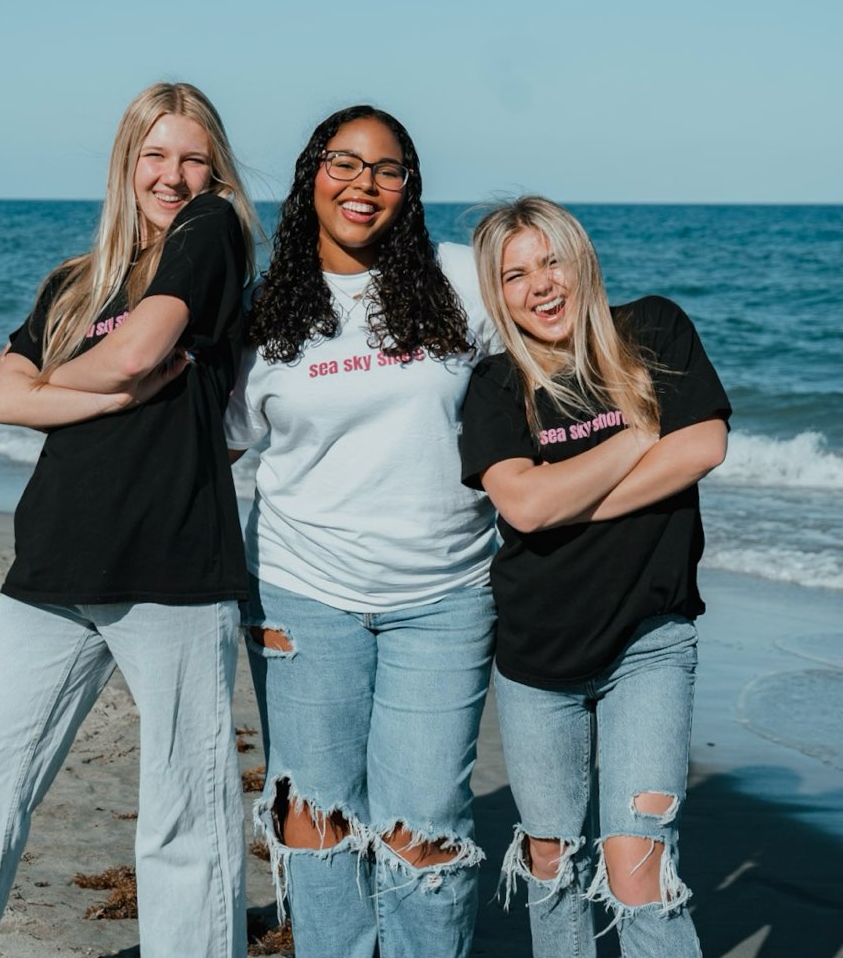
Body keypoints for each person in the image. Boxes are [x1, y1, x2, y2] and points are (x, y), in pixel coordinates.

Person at [0, 82, 259, 958]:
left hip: (171, 566)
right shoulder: (73, 282)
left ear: (214, 169)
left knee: (186, 818)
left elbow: (138, 350)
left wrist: (61, 387)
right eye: (155, 155)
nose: (173, 175)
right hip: (54, 562)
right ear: (126, 161)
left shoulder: (210, 234)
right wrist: (102, 393)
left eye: (191, 157)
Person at [223, 105, 499, 958]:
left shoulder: (462, 280)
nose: (364, 184)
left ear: (408, 189)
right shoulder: (261, 310)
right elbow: (223, 449)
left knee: (425, 826)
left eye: (387, 169)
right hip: (302, 595)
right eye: (345, 163)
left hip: (446, 596)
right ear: (312, 175)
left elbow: (561, 366)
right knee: (312, 815)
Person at [460, 196, 730, 957]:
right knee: (550, 863)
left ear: (581, 260)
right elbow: (521, 504)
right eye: (515, 274)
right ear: (497, 292)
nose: (540, 285)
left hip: (649, 644)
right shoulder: (496, 384)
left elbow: (703, 445)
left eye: (552, 260)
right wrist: (638, 436)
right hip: (537, 660)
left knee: (636, 866)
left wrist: (562, 497)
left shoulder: (651, 331)